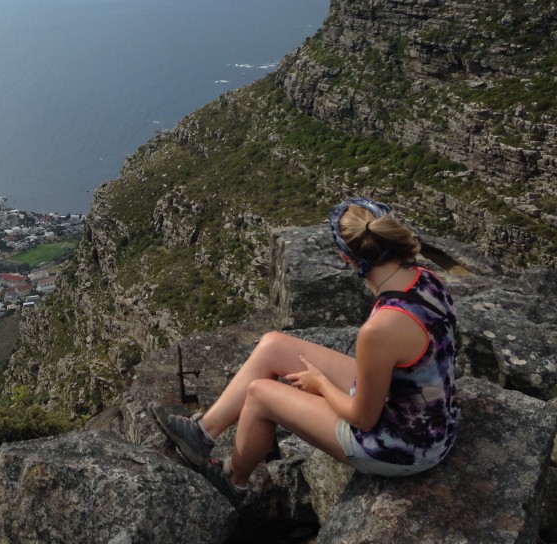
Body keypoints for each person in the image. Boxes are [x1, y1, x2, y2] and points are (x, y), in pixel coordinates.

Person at [150, 197, 459, 508]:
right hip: (416, 409)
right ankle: (202, 433)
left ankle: (233, 480)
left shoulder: (378, 330)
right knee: (273, 345)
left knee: (259, 395)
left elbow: (363, 418)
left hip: (401, 446)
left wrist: (320, 382)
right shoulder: (427, 280)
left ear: (344, 257)